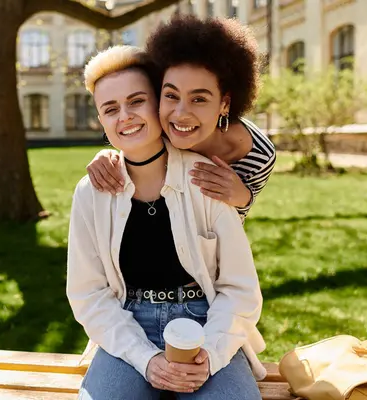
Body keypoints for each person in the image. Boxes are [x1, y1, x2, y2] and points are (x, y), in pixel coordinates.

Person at [67, 45, 265, 400]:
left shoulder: (206, 179)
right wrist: (145, 359)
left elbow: (240, 289)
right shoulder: (90, 193)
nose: (125, 116)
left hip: (207, 322)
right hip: (127, 327)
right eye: (110, 109)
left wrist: (212, 355)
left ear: (158, 103)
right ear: (101, 121)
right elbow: (88, 294)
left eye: (137, 101)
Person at [86, 15, 276, 220]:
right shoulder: (160, 124)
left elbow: (231, 226)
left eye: (199, 99)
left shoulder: (259, 157)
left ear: (225, 104)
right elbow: (132, 139)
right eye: (171, 95)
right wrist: (111, 156)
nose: (180, 113)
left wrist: (244, 198)